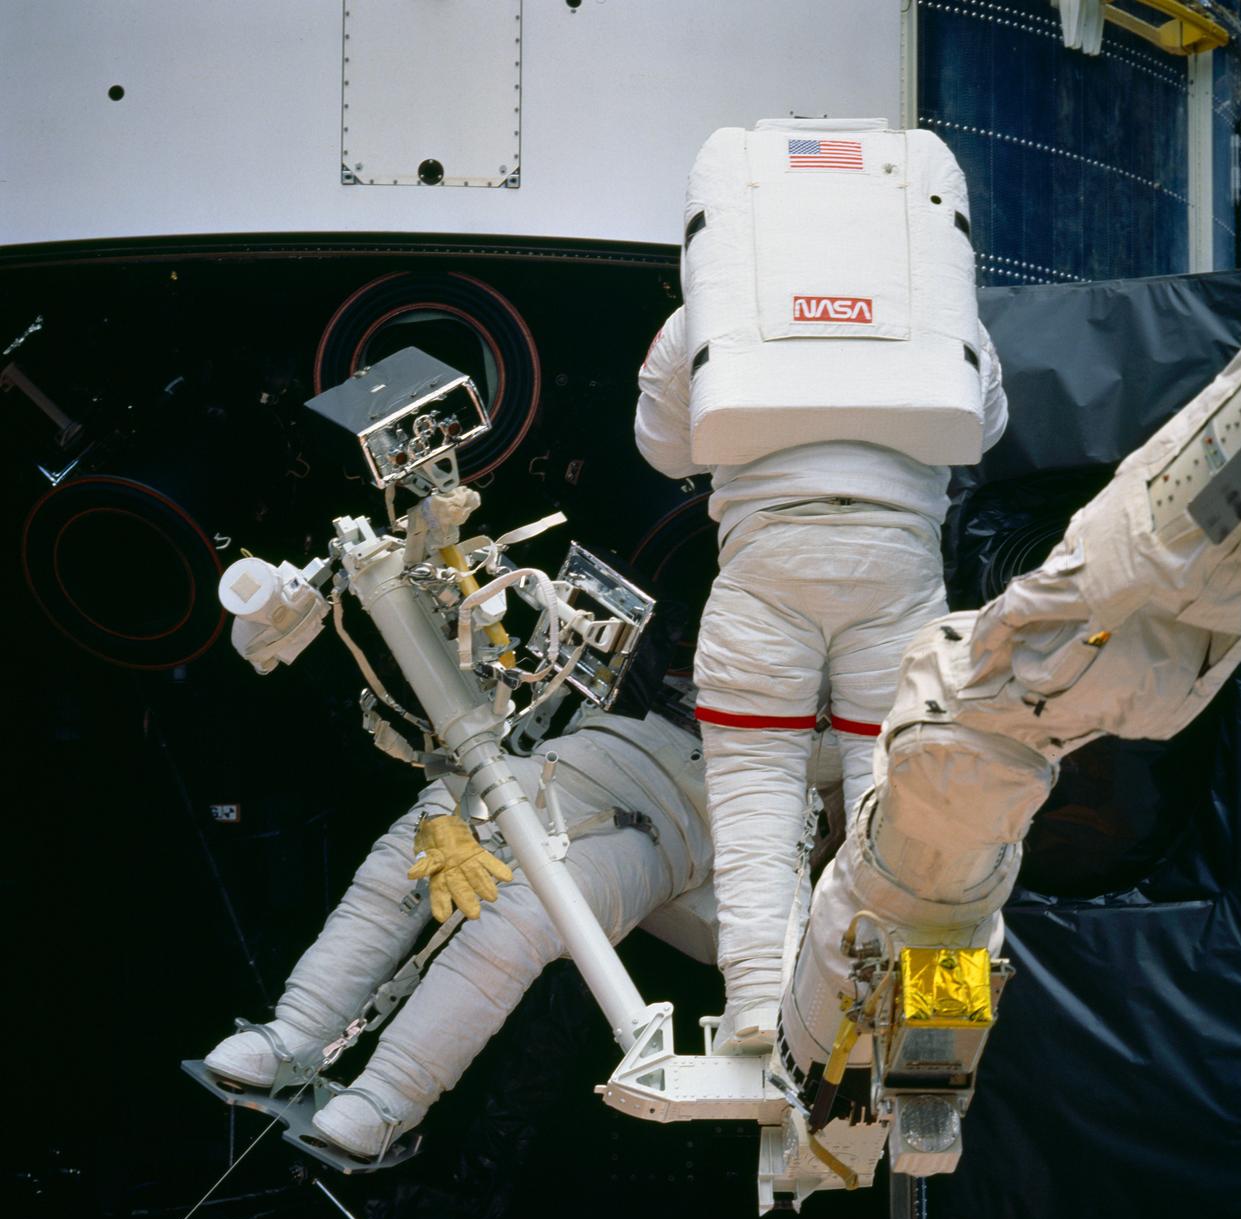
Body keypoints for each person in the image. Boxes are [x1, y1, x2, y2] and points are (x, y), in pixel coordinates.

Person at [634, 125, 1009, 1054]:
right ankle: (928, 1035)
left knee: (756, 804)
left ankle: (758, 1008)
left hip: (766, 570)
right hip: (896, 572)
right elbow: (985, 422)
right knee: (916, 810)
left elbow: (662, 448)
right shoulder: (937, 310)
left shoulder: (711, 313)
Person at [203, 705, 714, 1159]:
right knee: (414, 849)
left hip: (675, 817)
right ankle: (297, 1030)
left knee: (525, 916)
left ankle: (388, 1096)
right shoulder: (672, 626)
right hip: (578, 754)